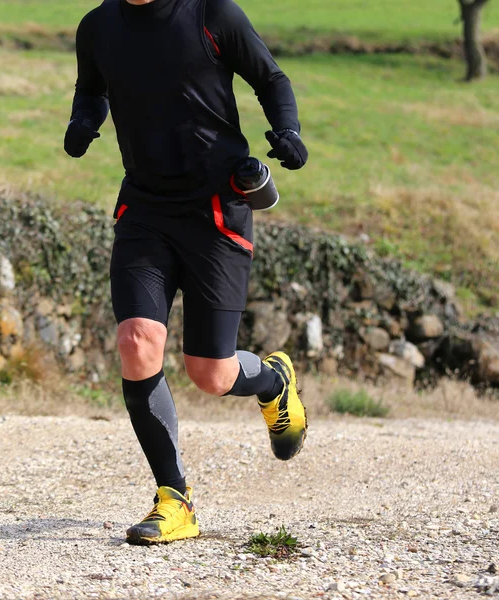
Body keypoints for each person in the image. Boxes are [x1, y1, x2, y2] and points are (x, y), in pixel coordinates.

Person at [64, 0, 309, 545]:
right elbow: (92, 86)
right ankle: (174, 498)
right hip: (145, 209)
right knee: (136, 340)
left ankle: (273, 380)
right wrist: (84, 119)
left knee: (211, 374)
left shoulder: (212, 14)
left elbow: (271, 78)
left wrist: (287, 131)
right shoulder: (98, 26)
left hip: (217, 209)